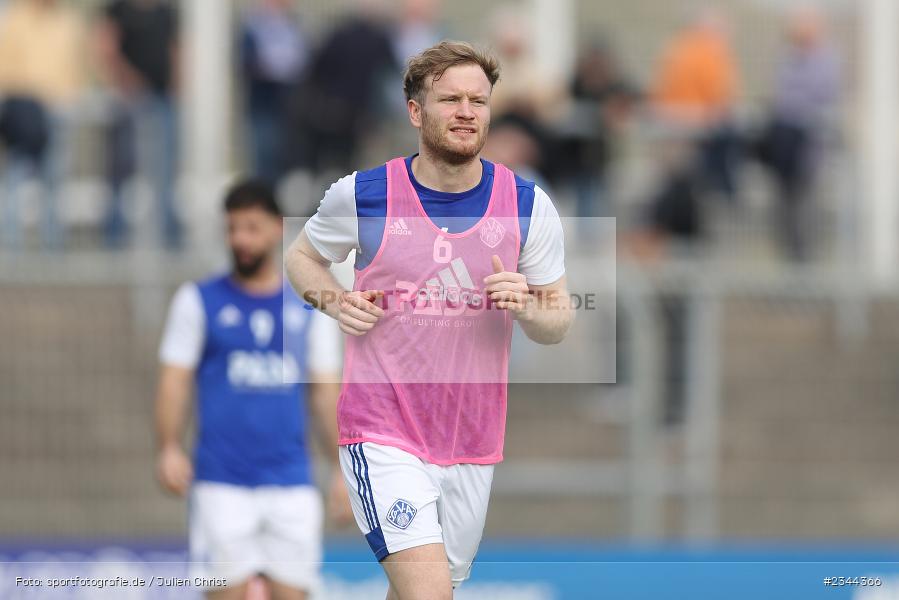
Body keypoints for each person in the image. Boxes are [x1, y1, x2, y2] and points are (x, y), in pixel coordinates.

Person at [286, 41, 572, 599]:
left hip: (471, 439)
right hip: (382, 430)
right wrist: (332, 299)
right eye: (450, 99)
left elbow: (558, 318)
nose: (467, 111)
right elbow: (301, 258)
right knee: (430, 594)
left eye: (479, 101)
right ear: (416, 112)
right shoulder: (364, 195)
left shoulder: (527, 204)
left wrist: (528, 303)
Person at [155, 180, 350, 600]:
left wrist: (341, 468)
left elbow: (324, 392)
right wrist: (169, 446)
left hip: (291, 482)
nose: (240, 239)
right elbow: (175, 378)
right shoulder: (198, 301)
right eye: (232, 229)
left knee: (293, 593)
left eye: (251, 227)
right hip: (221, 483)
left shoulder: (309, 308)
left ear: (277, 229)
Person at [755, 7, 840, 261]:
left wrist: (793, 110)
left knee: (806, 210)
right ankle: (790, 267)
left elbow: (818, 98)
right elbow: (782, 97)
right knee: (782, 212)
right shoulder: (788, 58)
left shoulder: (826, 61)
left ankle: (807, 269)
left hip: (808, 152)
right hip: (784, 152)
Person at [0, 0, 86, 250]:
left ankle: (53, 248)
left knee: (55, 179)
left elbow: (75, 65)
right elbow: (6, 68)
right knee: (17, 177)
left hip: (59, 111)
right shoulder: (17, 18)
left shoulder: (67, 20)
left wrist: (68, 99)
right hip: (25, 113)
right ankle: (12, 247)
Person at [95, 0, 181, 249]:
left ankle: (167, 237)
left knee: (164, 172)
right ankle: (113, 237)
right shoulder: (118, 9)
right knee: (119, 170)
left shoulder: (166, 12)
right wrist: (128, 82)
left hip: (162, 100)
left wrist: (176, 86)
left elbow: (176, 50)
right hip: (127, 101)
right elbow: (106, 48)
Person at [239, 0, 308, 184]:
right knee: (265, 156)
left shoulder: (293, 27)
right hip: (264, 102)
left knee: (282, 157)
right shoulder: (253, 28)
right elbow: (247, 63)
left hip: (286, 105)